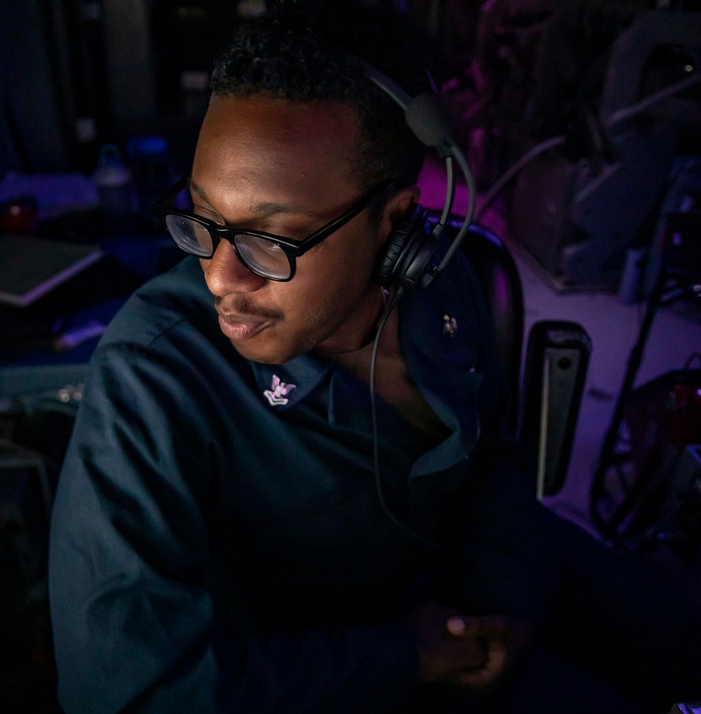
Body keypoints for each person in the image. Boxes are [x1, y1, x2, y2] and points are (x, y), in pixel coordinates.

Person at [48, 2, 701, 712]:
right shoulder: (152, 374)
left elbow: (489, 463)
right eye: (204, 220)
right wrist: (407, 656)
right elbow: (123, 693)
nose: (220, 279)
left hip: (470, 582)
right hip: (318, 675)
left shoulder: (449, 282)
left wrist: (505, 601)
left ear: (393, 226)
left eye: (272, 241)